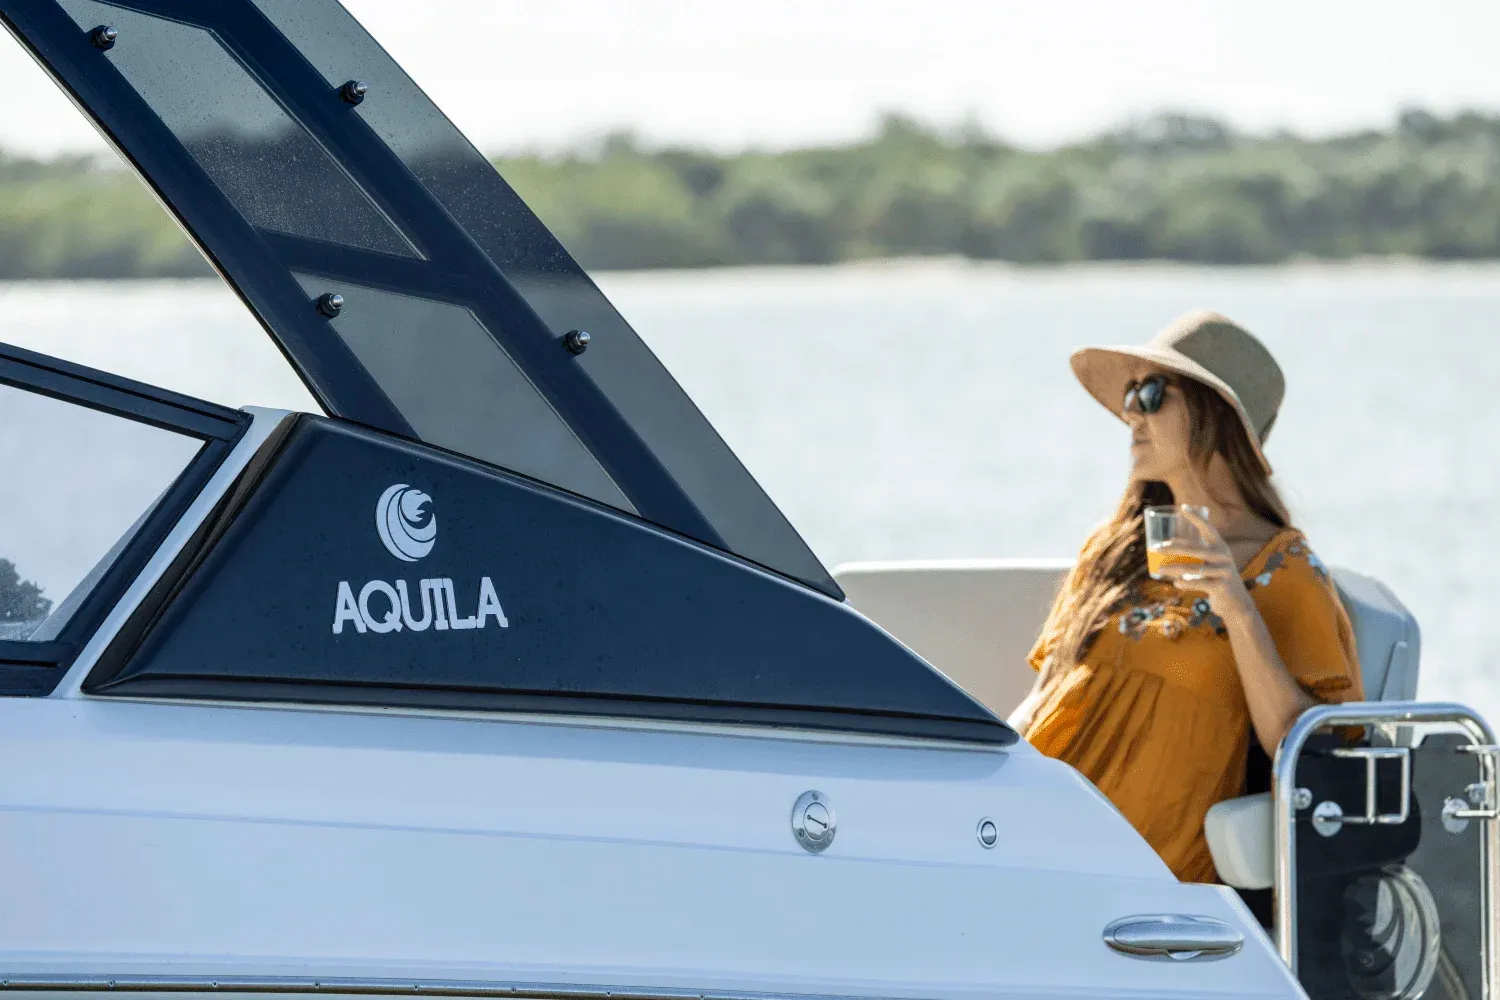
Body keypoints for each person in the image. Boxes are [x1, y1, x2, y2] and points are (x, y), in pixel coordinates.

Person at [1009, 310, 1364, 883]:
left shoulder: (1282, 572)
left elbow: (1308, 751)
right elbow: (1041, 700)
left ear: (1214, 415)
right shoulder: (1111, 548)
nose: (1131, 413)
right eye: (1130, 395)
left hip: (1152, 876)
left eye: (1151, 394)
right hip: (1032, 841)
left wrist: (1238, 610)